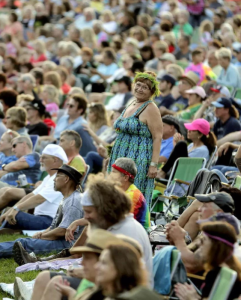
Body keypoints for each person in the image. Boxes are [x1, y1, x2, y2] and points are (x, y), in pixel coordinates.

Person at [22, 176, 154, 296]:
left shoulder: (127, 232)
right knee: (43, 278)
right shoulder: (109, 225)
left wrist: (86, 275)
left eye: (89, 212)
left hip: (123, 293)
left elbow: (125, 280)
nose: (85, 217)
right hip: (106, 285)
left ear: (105, 209)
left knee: (56, 283)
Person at [0, 164, 83, 260]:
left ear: (66, 180)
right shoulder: (67, 198)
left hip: (65, 244)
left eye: (57, 176)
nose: (54, 179)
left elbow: (63, 231)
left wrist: (42, 236)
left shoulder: (73, 201)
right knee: (24, 242)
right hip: (60, 241)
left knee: (24, 244)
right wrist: (42, 233)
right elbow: (55, 225)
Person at [107, 71, 163, 203]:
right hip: (119, 155)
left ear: (152, 92)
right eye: (138, 85)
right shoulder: (131, 103)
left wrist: (154, 164)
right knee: (115, 191)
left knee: (132, 194)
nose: (140, 89)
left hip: (138, 158)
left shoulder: (151, 108)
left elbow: (158, 137)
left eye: (145, 87)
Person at [174, 221, 241, 300]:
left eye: (203, 240)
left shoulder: (217, 274)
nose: (199, 244)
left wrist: (191, 298)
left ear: (215, 245)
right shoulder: (227, 269)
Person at [108, 158, 150, 230]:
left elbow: (118, 222)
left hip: (135, 236)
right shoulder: (121, 192)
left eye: (114, 172)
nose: (110, 175)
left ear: (125, 177)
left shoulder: (132, 195)